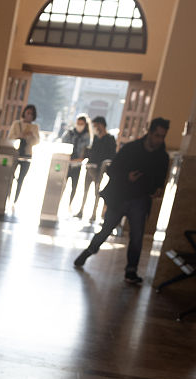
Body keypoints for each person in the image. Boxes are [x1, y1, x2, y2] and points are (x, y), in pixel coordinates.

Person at [73, 117, 170, 285]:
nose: (159, 140)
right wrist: (127, 177)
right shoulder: (132, 148)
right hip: (121, 196)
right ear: (149, 132)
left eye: (162, 136)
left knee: (137, 237)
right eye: (157, 135)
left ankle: (131, 271)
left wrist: (157, 189)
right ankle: (89, 251)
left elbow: (161, 179)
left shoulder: (162, 156)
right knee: (106, 229)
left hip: (141, 199)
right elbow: (112, 170)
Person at [77, 116, 116, 221]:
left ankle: (94, 214)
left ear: (101, 125)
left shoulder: (110, 139)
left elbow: (111, 155)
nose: (94, 128)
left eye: (95, 125)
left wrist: (103, 166)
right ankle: (81, 210)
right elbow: (91, 151)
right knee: (85, 190)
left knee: (97, 192)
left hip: (100, 169)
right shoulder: (95, 138)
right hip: (90, 166)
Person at [7, 104, 40, 207]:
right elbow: (10, 137)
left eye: (31, 114)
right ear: (24, 112)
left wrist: (32, 135)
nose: (29, 115)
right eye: (28, 112)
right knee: (10, 176)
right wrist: (20, 136)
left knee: (21, 178)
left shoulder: (35, 127)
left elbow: (37, 142)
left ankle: (15, 200)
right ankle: (7, 196)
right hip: (16, 152)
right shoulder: (17, 124)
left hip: (27, 154)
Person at [60, 115, 91, 213]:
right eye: (78, 123)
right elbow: (63, 145)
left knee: (74, 186)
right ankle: (58, 202)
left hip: (78, 164)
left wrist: (79, 159)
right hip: (67, 163)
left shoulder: (87, 136)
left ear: (85, 124)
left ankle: (69, 205)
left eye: (82, 124)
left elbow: (87, 152)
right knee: (62, 184)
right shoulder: (70, 133)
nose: (79, 125)